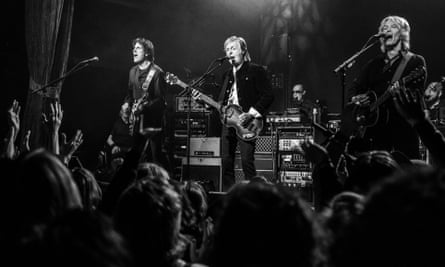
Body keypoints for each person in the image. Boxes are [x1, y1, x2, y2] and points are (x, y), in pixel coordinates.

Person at [193, 36, 274, 191]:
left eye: (233, 48)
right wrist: (202, 101)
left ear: (243, 50)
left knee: (246, 162)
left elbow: (268, 95)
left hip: (247, 123)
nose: (229, 52)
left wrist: (251, 113)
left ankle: (253, 196)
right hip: (228, 123)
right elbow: (220, 104)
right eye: (227, 49)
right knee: (226, 161)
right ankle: (229, 196)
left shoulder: (256, 70)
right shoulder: (226, 75)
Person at [347, 15, 427, 159]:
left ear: (403, 34)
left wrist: (399, 93)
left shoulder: (415, 61)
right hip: (374, 134)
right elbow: (354, 87)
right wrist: (357, 99)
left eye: (393, 27)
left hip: (402, 133)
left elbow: (416, 96)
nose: (387, 30)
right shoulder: (373, 64)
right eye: (384, 28)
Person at [122, 37, 170, 171]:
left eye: (138, 48)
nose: (134, 51)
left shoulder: (157, 72)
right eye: (133, 48)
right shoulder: (132, 71)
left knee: (156, 158)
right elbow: (129, 94)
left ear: (147, 52)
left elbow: (161, 101)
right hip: (137, 122)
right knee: (136, 158)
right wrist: (126, 104)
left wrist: (144, 107)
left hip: (154, 124)